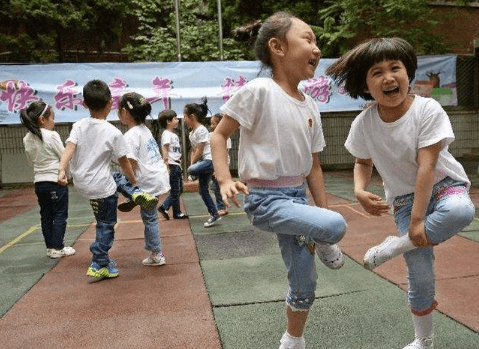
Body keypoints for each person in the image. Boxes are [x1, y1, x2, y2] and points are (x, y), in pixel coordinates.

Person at [326, 37, 475, 349]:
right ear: (365, 85)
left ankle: (396, 245)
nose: (388, 77)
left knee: (461, 211)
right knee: (420, 275)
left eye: (395, 68)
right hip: (404, 201)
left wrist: (418, 223)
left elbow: (426, 166)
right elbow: (362, 162)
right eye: (377, 72)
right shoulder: (364, 122)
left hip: (444, 186)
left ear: (409, 73)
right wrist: (359, 190)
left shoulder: (428, 109)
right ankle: (424, 340)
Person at [210, 12, 347, 349]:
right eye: (309, 39)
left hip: (297, 199)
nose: (317, 48)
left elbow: (314, 167)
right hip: (265, 200)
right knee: (336, 225)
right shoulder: (259, 90)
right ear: (277, 46)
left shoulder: (311, 105)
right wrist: (225, 178)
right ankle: (325, 236)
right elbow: (218, 136)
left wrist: (319, 215)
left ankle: (292, 340)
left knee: (305, 281)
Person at [58, 80, 157, 280]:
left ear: (84, 104)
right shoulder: (113, 133)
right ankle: (99, 262)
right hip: (102, 188)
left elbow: (69, 149)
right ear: (111, 103)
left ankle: (133, 193)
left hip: (82, 183)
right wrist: (134, 181)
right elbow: (125, 163)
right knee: (106, 224)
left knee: (115, 179)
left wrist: (61, 170)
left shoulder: (78, 125)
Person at [115, 92, 170, 266]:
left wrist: (133, 184)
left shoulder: (130, 135)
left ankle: (156, 254)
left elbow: (130, 164)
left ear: (124, 112)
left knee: (150, 217)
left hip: (148, 182)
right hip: (158, 177)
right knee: (150, 215)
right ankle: (133, 196)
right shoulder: (144, 129)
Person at [20, 100, 75, 259]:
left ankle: (50, 247)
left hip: (39, 182)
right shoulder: (52, 135)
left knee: (46, 215)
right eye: (53, 117)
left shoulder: (27, 138)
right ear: (42, 119)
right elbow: (64, 157)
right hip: (55, 181)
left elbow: (31, 160)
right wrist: (68, 176)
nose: (54, 121)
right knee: (59, 215)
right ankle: (58, 247)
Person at [184, 98, 221, 227]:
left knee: (191, 170)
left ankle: (193, 173)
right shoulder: (191, 133)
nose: (184, 119)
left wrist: (191, 167)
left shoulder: (202, 130)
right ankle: (214, 214)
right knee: (203, 190)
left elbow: (200, 150)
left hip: (209, 161)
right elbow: (194, 151)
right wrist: (192, 163)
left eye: (185, 116)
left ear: (192, 116)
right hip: (202, 163)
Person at [157, 109, 188, 220]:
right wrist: (166, 162)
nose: (177, 120)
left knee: (179, 189)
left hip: (176, 165)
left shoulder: (172, 134)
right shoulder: (167, 134)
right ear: (168, 121)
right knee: (176, 190)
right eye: (175, 118)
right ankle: (177, 213)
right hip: (172, 165)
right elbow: (165, 148)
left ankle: (164, 207)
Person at [209, 113, 231, 216]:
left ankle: (222, 207)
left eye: (213, 124)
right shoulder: (214, 136)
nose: (211, 126)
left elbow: (224, 153)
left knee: (217, 187)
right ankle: (223, 206)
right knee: (216, 187)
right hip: (216, 165)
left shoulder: (225, 136)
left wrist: (219, 169)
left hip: (221, 166)